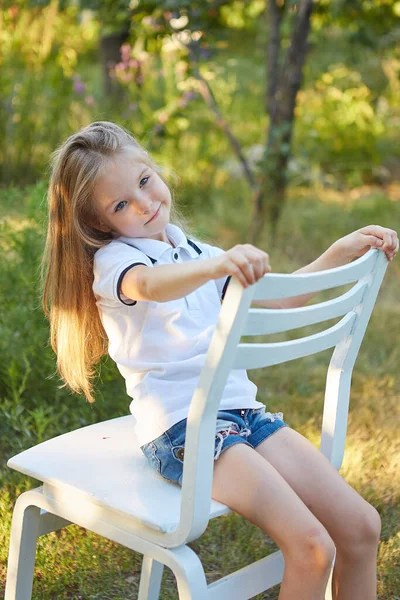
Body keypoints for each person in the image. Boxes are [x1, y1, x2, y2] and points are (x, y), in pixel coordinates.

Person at [41, 120, 398, 600]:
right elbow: (150, 285)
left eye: (145, 181)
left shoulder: (188, 249)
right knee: (313, 547)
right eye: (121, 204)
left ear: (155, 170)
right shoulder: (116, 263)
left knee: (360, 527)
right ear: (102, 223)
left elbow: (277, 299)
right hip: (184, 431)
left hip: (243, 415)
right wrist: (214, 265)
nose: (145, 204)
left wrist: (340, 251)